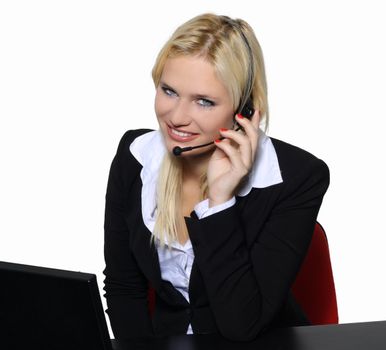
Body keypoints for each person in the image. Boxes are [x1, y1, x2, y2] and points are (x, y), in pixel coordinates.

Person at [103, 13, 329, 342]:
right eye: (169, 91)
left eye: (204, 101)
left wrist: (220, 202)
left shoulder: (296, 178)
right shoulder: (135, 157)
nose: (176, 117)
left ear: (245, 110)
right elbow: (124, 288)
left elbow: (242, 326)